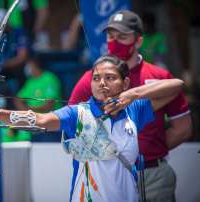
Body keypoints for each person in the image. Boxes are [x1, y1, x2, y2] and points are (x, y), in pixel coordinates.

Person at [0, 55, 184, 202]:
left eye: (110, 78)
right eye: (96, 78)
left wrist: (132, 96)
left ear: (125, 82)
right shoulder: (78, 114)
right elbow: (40, 119)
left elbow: (176, 85)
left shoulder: (134, 110)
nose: (102, 83)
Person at [68, 10, 192, 201]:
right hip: (109, 176)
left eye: (122, 36)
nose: (115, 41)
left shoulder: (159, 76)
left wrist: (150, 151)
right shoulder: (90, 78)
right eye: (111, 36)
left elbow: (182, 128)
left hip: (153, 175)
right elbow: (72, 124)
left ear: (139, 41)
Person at [0, 54, 62, 142]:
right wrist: (26, 113)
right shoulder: (30, 82)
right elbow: (18, 99)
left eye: (28, 64)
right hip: (34, 126)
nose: (27, 68)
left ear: (34, 64)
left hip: (50, 126)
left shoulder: (49, 78)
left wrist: (31, 111)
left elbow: (49, 105)